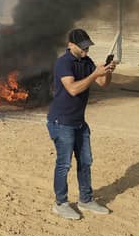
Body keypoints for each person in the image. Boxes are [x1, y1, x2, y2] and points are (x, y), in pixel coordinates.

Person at [47, 28, 116, 220]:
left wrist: (107, 71)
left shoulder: (86, 61)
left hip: (79, 122)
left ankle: (85, 199)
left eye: (88, 46)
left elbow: (103, 83)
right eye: (83, 47)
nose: (86, 50)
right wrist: (95, 75)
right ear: (71, 45)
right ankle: (60, 203)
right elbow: (73, 89)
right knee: (64, 164)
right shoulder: (64, 63)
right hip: (61, 122)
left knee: (86, 162)